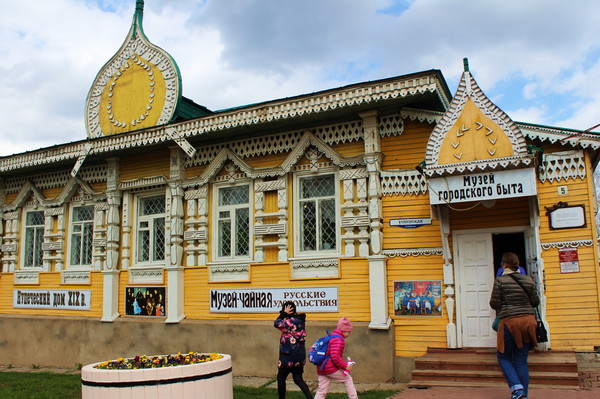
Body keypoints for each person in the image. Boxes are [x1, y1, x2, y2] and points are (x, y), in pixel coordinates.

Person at [490, 252, 539, 399]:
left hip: (510, 322)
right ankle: (523, 395)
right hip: (528, 322)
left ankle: (517, 389)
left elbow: (494, 304)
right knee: (521, 360)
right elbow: (535, 302)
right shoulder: (528, 280)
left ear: (504, 264)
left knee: (503, 356)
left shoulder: (500, 280)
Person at [274, 301, 313, 399]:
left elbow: (277, 323)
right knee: (298, 379)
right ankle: (310, 397)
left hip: (288, 355)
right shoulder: (300, 320)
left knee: (281, 377)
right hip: (299, 355)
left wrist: (283, 314)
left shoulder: (290, 321)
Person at [314, 317, 358, 399]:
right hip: (330, 368)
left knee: (322, 391)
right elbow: (335, 357)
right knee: (347, 379)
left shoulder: (332, 336)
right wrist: (345, 366)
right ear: (344, 330)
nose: (349, 334)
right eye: (349, 331)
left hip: (322, 367)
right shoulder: (338, 339)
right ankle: (354, 398)